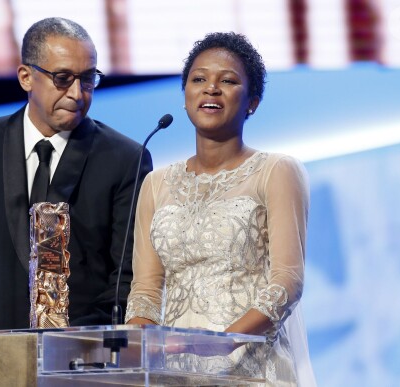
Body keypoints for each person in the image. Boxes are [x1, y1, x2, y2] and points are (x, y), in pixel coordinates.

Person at [0, 17, 152, 333]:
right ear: (26, 77)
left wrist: (96, 342)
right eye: (63, 78)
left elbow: (126, 273)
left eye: (88, 79)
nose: (78, 94)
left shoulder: (125, 159)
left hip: (81, 355)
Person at [125, 32, 316, 386]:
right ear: (185, 96)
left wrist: (222, 343)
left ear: (252, 103)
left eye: (227, 81)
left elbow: (288, 281)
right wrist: (137, 349)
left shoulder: (276, 171)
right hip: (174, 370)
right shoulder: (156, 184)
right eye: (199, 79)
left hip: (250, 366)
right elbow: (147, 289)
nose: (211, 88)